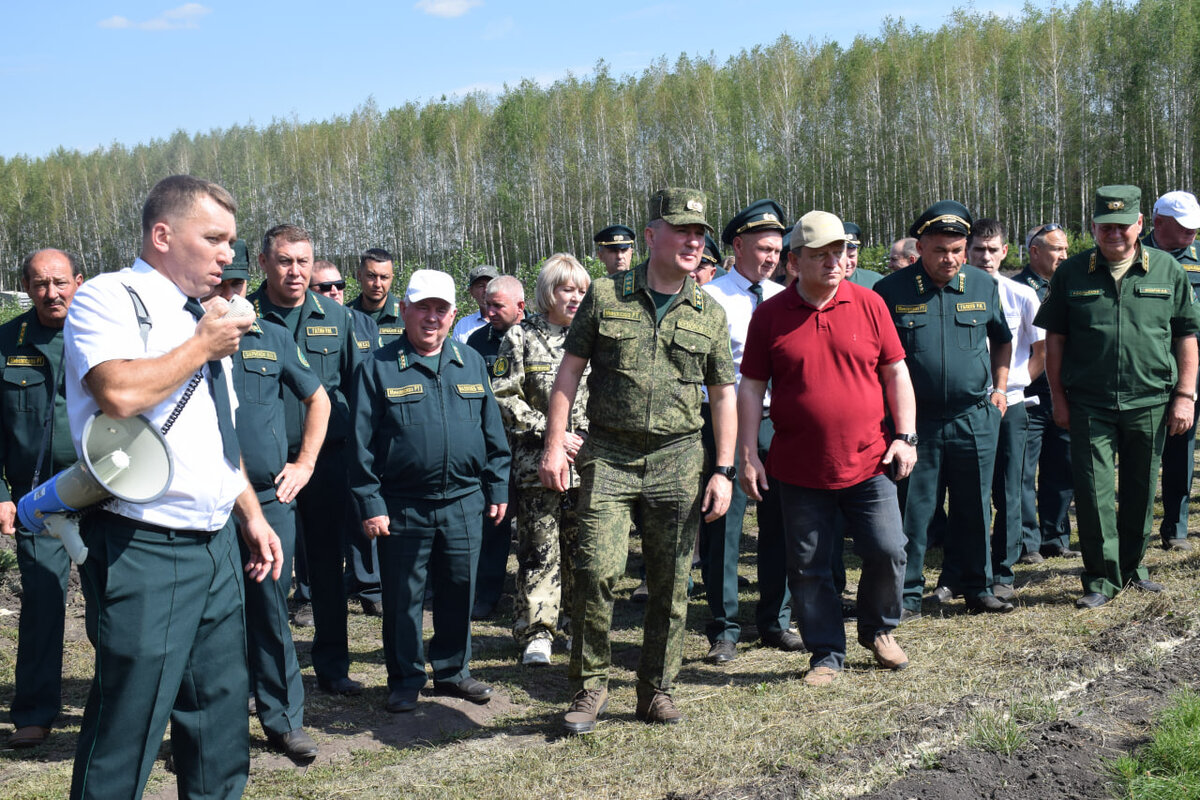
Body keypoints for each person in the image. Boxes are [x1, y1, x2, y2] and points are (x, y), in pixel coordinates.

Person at [63, 174, 282, 799]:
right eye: (213, 238)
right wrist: (201, 344)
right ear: (162, 235)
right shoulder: (112, 297)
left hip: (214, 545)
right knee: (128, 729)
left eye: (231, 241)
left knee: (218, 722)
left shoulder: (205, 320)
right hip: (144, 545)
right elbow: (119, 393)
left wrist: (251, 516)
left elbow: (219, 439)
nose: (227, 255)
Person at [541, 188, 736, 734]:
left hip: (679, 458)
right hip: (610, 454)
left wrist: (722, 470)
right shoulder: (605, 295)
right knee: (596, 572)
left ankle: (656, 690)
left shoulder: (710, 312)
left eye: (700, 234)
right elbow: (569, 373)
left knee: (673, 583)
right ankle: (589, 687)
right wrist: (555, 445)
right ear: (652, 237)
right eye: (681, 232)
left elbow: (723, 396)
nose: (693, 242)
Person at [740, 210, 915, 686]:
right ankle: (825, 653)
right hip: (798, 467)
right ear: (794, 262)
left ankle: (879, 630)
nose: (835, 262)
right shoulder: (771, 315)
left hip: (869, 460)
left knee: (887, 550)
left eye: (840, 252)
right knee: (810, 565)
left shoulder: (869, 303)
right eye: (821, 255)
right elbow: (752, 386)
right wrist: (748, 453)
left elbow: (895, 371)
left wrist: (905, 436)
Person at [350, 269, 511, 714]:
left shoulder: (470, 362)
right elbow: (360, 445)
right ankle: (404, 678)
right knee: (403, 599)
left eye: (441, 309)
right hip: (403, 507)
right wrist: (370, 502)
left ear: (454, 314)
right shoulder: (377, 367)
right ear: (404, 310)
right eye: (423, 307)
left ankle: (453, 671)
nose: (432, 318)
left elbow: (492, 434)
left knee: (460, 588)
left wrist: (498, 487)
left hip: (463, 501)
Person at [1035, 185, 1200, 608]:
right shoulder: (1072, 273)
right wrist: (1058, 398)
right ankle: (1101, 579)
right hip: (1089, 401)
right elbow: (1055, 340)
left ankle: (1132, 568)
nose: (1115, 234)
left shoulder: (1166, 270)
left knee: (1142, 489)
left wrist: (1185, 394)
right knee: (1093, 493)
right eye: (1106, 227)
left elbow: (1186, 335)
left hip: (1151, 400)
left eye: (1123, 226)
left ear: (1140, 225)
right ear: (1093, 227)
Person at [874, 200, 1014, 618]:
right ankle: (907, 594)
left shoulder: (983, 285)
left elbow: (1002, 338)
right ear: (920, 247)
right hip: (917, 422)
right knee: (913, 510)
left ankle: (978, 586)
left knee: (974, 505)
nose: (950, 259)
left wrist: (1000, 389)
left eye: (957, 250)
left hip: (974, 416)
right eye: (940, 250)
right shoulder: (891, 291)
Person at [218, 241, 330, 761]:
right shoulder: (176, 341)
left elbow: (318, 397)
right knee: (208, 617)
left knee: (269, 611)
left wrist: (304, 464)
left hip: (268, 500)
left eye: (238, 284)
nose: (230, 294)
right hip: (205, 507)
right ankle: (210, 728)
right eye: (221, 283)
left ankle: (284, 720)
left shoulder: (274, 337)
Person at [248, 224, 363, 696]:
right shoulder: (243, 315)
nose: (295, 271)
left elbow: (357, 393)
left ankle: (333, 665)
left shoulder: (336, 318)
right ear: (264, 263)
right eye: (284, 261)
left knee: (327, 569)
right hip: (264, 471)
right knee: (267, 572)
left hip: (325, 465)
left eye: (303, 261)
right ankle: (263, 675)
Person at [699, 199, 799, 666]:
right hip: (725, 422)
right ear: (737, 246)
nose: (771, 258)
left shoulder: (784, 299)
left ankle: (776, 620)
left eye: (777, 250)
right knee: (724, 523)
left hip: (776, 422)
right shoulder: (709, 299)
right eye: (762, 248)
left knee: (779, 520)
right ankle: (724, 628)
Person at [492, 254, 591, 665]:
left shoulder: (591, 337)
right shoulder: (520, 337)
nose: (576, 298)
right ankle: (537, 631)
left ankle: (574, 623)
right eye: (568, 289)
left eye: (582, 291)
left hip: (585, 463)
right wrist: (551, 431)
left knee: (580, 547)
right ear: (549, 292)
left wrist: (585, 439)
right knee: (540, 547)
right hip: (538, 464)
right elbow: (502, 395)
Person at [3, 248, 83, 749]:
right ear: (27, 287)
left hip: (108, 489)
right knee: (41, 602)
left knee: (115, 600)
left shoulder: (105, 331)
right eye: (38, 284)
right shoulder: (8, 341)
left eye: (59, 282)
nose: (50, 293)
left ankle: (120, 702)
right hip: (38, 497)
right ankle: (33, 712)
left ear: (79, 279)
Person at [963, 219, 1044, 602]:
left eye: (993, 250)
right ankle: (967, 570)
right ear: (967, 250)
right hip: (966, 407)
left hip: (1009, 406)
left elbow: (1040, 351)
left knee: (1010, 489)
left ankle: (1003, 570)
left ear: (1005, 252)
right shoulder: (955, 292)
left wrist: (1014, 385)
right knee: (967, 492)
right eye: (979, 249)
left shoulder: (1021, 295)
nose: (986, 257)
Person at [309, 259, 384, 617]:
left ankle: (369, 585)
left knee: (361, 511)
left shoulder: (363, 323)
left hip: (353, 434)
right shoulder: (303, 326)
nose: (333, 292)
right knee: (312, 524)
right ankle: (308, 595)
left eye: (337, 285)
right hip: (312, 438)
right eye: (323, 287)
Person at [1015, 223, 1077, 563]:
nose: (1064, 255)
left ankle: (1056, 536)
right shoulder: (1015, 288)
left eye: (1066, 249)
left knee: (1062, 466)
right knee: (1024, 470)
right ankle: (1027, 542)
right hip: (1030, 391)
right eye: (1057, 249)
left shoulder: (1072, 285)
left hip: (1065, 390)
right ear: (1035, 251)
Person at [466, 274, 525, 619]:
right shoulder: (475, 342)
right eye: (486, 304)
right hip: (491, 448)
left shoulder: (536, 339)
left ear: (520, 307)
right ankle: (487, 594)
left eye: (497, 306)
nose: (488, 312)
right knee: (494, 521)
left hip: (529, 444)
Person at [1144, 191, 1200, 551]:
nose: (1191, 235)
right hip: (1149, 366)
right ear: (1158, 223)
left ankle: (1176, 527)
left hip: (1193, 366)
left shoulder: (1198, 257)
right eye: (1184, 229)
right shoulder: (1136, 255)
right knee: (1142, 452)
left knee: (1183, 449)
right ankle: (1135, 525)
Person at [313, 260, 379, 354]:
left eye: (339, 285)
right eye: (326, 287)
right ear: (309, 290)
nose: (335, 291)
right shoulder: (303, 325)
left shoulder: (366, 324)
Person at [349, 247, 405, 345]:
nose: (377, 284)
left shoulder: (406, 315)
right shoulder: (347, 315)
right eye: (371, 276)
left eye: (384, 277)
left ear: (391, 278)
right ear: (359, 275)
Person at [451, 265, 498, 343]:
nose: (486, 290)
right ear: (471, 292)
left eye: (490, 285)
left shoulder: (510, 321)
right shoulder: (463, 326)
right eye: (481, 286)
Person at [843, 222, 880, 288]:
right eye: (842, 257)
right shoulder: (820, 283)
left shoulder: (875, 281)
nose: (847, 263)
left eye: (851, 256)